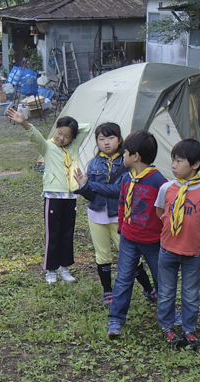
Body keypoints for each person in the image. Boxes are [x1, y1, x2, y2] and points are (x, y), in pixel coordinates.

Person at [76, 130, 167, 337]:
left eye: (125, 152)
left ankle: (169, 314)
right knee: (123, 278)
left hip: (153, 241)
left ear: (135, 157)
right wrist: (123, 227)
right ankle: (116, 319)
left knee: (162, 278)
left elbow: (164, 212)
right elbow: (123, 204)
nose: (123, 155)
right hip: (128, 238)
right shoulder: (127, 178)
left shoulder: (158, 181)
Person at [7, 107, 90, 284]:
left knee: (68, 234)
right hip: (53, 196)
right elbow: (35, 137)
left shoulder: (73, 146)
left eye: (67, 136)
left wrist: (71, 128)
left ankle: (65, 268)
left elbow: (87, 128)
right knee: (53, 234)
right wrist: (24, 123)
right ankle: (51, 270)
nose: (62, 138)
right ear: (55, 129)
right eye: (59, 133)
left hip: (70, 197)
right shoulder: (48, 146)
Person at [155, 139, 200, 350]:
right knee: (166, 291)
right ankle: (167, 327)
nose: (173, 165)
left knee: (190, 294)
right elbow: (160, 212)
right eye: (172, 160)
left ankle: (189, 330)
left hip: (192, 253)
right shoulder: (166, 188)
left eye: (179, 161)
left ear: (195, 164)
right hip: (168, 249)